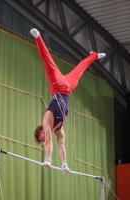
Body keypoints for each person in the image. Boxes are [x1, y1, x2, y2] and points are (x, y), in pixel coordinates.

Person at [30, 28, 106, 174]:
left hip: (57, 85)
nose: (45, 136)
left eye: (42, 135)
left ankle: (38, 37)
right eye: (44, 136)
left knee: (48, 62)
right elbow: (61, 146)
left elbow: (48, 142)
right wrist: (64, 165)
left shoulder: (47, 120)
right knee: (80, 69)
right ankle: (93, 55)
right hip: (68, 89)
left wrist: (48, 159)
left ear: (41, 130)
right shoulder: (59, 130)